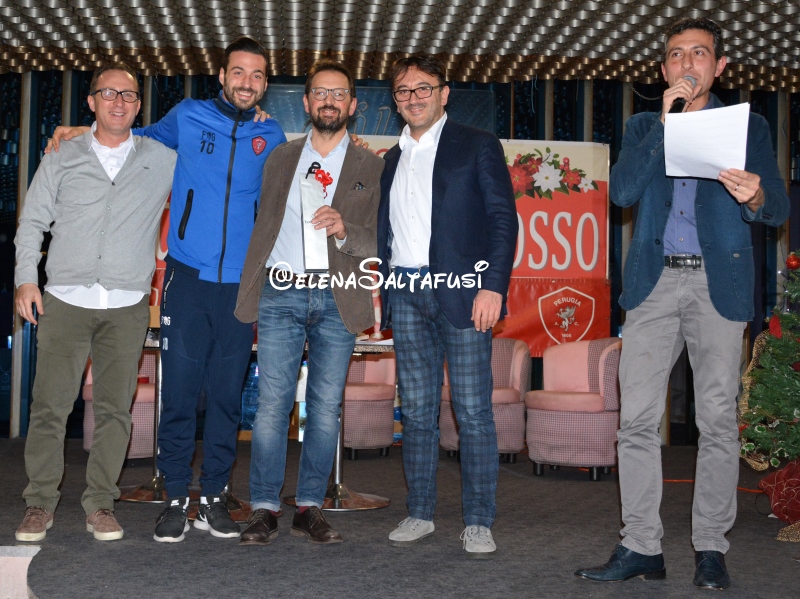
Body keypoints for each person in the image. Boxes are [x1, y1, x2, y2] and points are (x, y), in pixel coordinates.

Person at [575, 17, 790, 590]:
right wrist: (666, 126)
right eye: (676, 54)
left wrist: (756, 195)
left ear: (719, 66)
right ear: (664, 67)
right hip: (654, 286)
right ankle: (641, 545)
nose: (687, 63)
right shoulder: (646, 124)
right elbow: (622, 192)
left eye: (699, 53)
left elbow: (777, 207)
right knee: (635, 421)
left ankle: (711, 547)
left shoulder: (748, 127)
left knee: (716, 421)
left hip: (719, 286)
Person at [13, 63, 176, 542]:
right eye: (108, 93)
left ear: (139, 106)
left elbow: (221, 158)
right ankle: (39, 502)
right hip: (64, 301)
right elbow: (32, 222)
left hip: (126, 305)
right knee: (49, 407)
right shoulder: (62, 154)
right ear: (91, 101)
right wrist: (25, 280)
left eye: (128, 95)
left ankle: (101, 503)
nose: (118, 102)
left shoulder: (162, 159)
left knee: (114, 411)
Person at [234, 59, 384, 545]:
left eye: (338, 94)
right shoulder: (280, 158)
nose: (329, 101)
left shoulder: (371, 166)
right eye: (320, 92)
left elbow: (380, 239)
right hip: (280, 290)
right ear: (306, 102)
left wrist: (345, 229)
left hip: (338, 295)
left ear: (353, 105)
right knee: (272, 405)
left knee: (324, 408)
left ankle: (309, 506)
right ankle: (263, 507)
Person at [376, 55, 517, 557]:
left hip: (464, 292)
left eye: (423, 88)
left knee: (472, 411)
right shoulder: (390, 159)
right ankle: (420, 512)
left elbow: (503, 219)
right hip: (404, 291)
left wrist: (493, 286)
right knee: (416, 411)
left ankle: (478, 520)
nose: (413, 97)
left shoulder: (476, 144)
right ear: (395, 101)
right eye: (403, 90)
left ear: (444, 93)